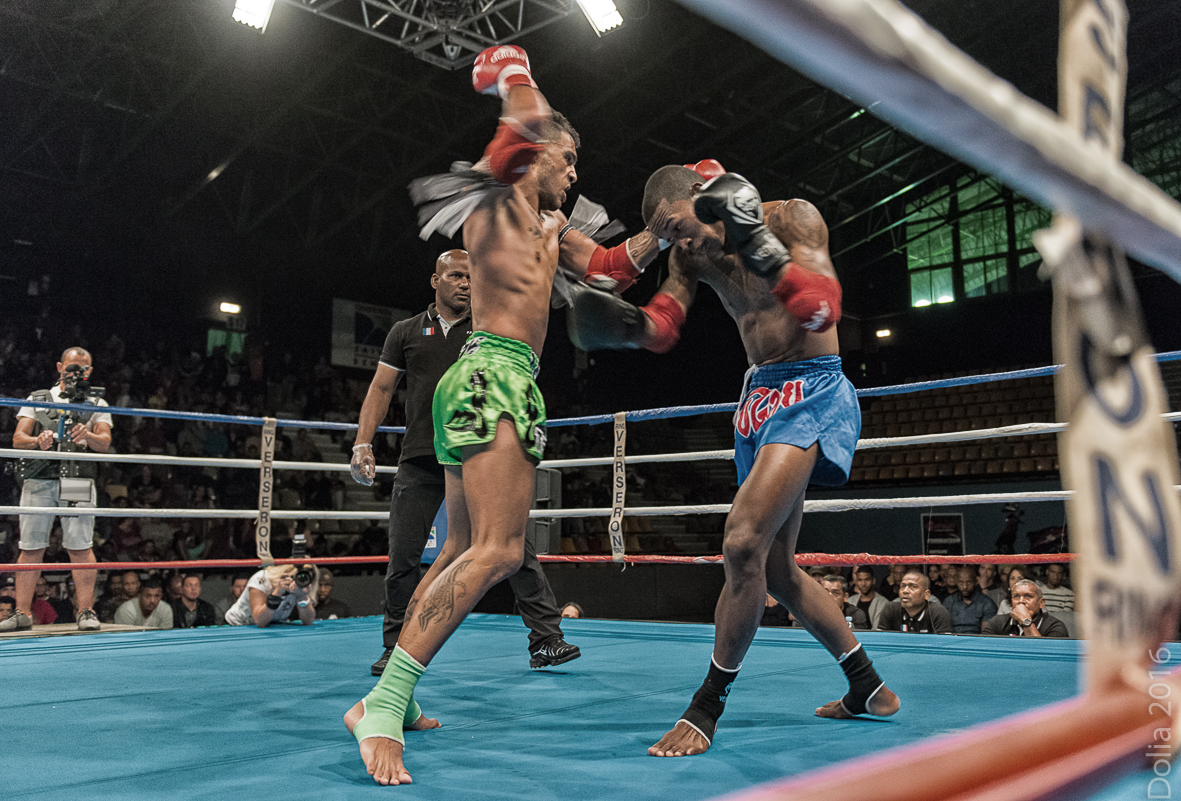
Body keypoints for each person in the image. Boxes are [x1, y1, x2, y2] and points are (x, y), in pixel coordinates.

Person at [346, 45, 647, 785]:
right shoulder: (498, 196)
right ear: (539, 152)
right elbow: (525, 124)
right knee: (500, 553)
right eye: (567, 159)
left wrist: (675, 229)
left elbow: (612, 268)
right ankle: (383, 705)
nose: (575, 175)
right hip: (492, 375)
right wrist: (513, 69)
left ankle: (391, 694)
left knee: (457, 552)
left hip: (493, 378)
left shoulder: (547, 226)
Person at [580, 164, 898, 757]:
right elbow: (667, 317)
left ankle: (706, 707)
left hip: (813, 390)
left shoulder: (789, 217)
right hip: (758, 397)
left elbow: (821, 310)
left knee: (741, 543)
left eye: (682, 227)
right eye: (669, 237)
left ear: (704, 199)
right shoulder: (688, 251)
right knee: (776, 570)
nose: (684, 244)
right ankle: (868, 687)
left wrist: (759, 242)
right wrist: (631, 328)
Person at [349, 248, 579, 676]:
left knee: (508, 545)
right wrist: (364, 443)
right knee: (405, 556)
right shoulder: (406, 331)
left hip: (477, 449)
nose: (465, 283)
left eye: (470, 276)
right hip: (420, 454)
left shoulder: (487, 330)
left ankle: (545, 637)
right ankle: (395, 647)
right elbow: (381, 389)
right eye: (454, 275)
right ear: (435, 281)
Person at [0, 347, 112, 632]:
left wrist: (89, 435)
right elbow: (18, 439)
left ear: (90, 371)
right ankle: (22, 612)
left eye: (83, 369)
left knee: (81, 546)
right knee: (31, 546)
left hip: (77, 479)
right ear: (60, 366)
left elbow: (105, 443)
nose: (76, 373)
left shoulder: (97, 401)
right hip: (40, 478)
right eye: (72, 367)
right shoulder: (37, 399)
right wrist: (39, 440)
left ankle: (85, 610)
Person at [224, 564, 317, 628]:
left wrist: (302, 597)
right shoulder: (261, 579)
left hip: (270, 626)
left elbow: (308, 621)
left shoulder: (300, 585)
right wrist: (277, 593)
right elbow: (260, 621)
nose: (301, 580)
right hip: (237, 624)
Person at [982, 579, 1070, 638]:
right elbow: (984, 652)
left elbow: (1045, 657)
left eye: (1028, 596)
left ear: (1041, 603)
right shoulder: (996, 622)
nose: (1021, 601)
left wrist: (1025, 621)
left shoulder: (1055, 627)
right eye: (1016, 596)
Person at [875, 571, 953, 634]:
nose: (905, 591)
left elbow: (944, 647)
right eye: (902, 586)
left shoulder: (938, 612)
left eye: (913, 586)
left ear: (926, 594)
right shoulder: (890, 609)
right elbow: (880, 642)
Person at [940, 565, 998, 634]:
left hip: (976, 642)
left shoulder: (987, 604)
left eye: (968, 582)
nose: (964, 586)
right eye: (961, 582)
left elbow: (986, 634)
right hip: (953, 641)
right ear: (956, 582)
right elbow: (944, 630)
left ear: (976, 582)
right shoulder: (949, 602)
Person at [847, 566, 888, 630]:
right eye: (860, 580)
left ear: (873, 581)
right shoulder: (849, 601)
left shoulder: (883, 603)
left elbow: (878, 629)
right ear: (856, 582)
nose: (863, 584)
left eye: (867, 579)